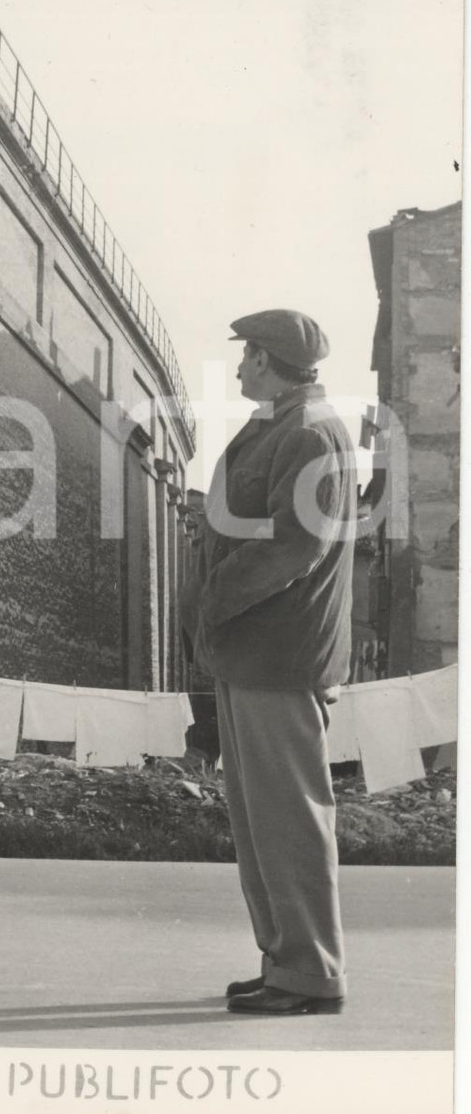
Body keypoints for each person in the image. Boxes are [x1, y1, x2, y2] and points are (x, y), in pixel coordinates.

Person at [179, 309, 356, 1016]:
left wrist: (212, 597)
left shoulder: (310, 431)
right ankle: (285, 961)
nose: (239, 366)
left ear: (268, 359)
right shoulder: (281, 425)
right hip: (252, 650)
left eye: (247, 354)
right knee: (260, 822)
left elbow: (296, 545)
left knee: (289, 819)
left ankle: (311, 972)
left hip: (280, 653)